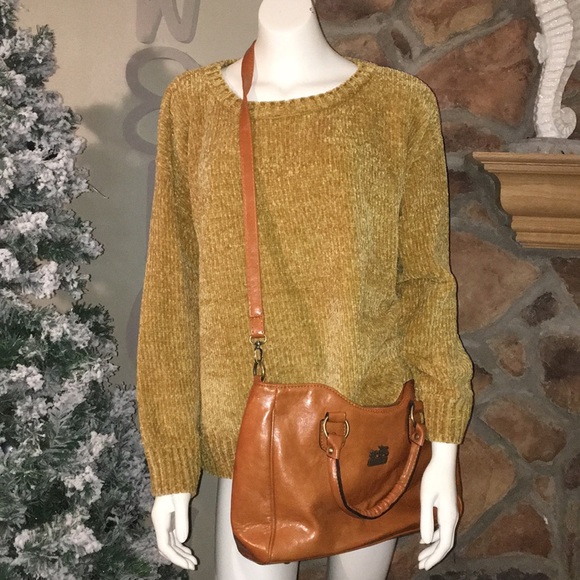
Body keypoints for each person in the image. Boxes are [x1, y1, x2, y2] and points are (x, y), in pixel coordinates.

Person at [136, 0, 474, 578]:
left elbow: (425, 286)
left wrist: (443, 444)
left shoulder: (397, 105)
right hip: (249, 435)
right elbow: (172, 291)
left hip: (368, 428)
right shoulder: (194, 105)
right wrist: (172, 469)